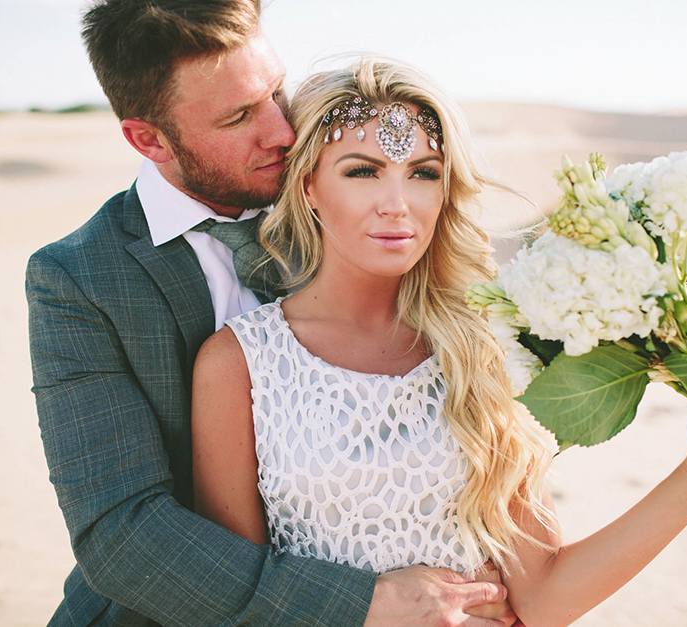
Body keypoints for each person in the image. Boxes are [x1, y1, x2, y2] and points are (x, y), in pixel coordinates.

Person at [190, 57, 687, 627]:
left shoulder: (485, 350)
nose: (397, 205)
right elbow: (233, 603)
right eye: (362, 171)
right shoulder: (239, 364)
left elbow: (545, 598)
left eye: (423, 173)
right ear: (309, 188)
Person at [27, 1, 513, 625]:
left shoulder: (342, 195)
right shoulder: (78, 278)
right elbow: (124, 537)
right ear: (149, 140)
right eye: (238, 117)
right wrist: (365, 604)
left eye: (275, 92)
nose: (282, 131)